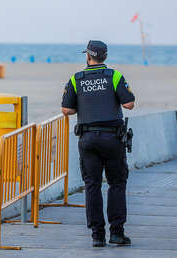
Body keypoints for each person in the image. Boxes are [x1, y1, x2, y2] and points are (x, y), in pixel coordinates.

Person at [61, 40, 135, 247]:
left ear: (88, 56)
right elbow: (129, 104)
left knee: (92, 185)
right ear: (105, 57)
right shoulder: (115, 76)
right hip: (113, 138)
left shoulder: (76, 79)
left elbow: (66, 110)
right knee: (117, 183)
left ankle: (97, 235)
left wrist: (83, 106)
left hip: (88, 139)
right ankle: (117, 233)